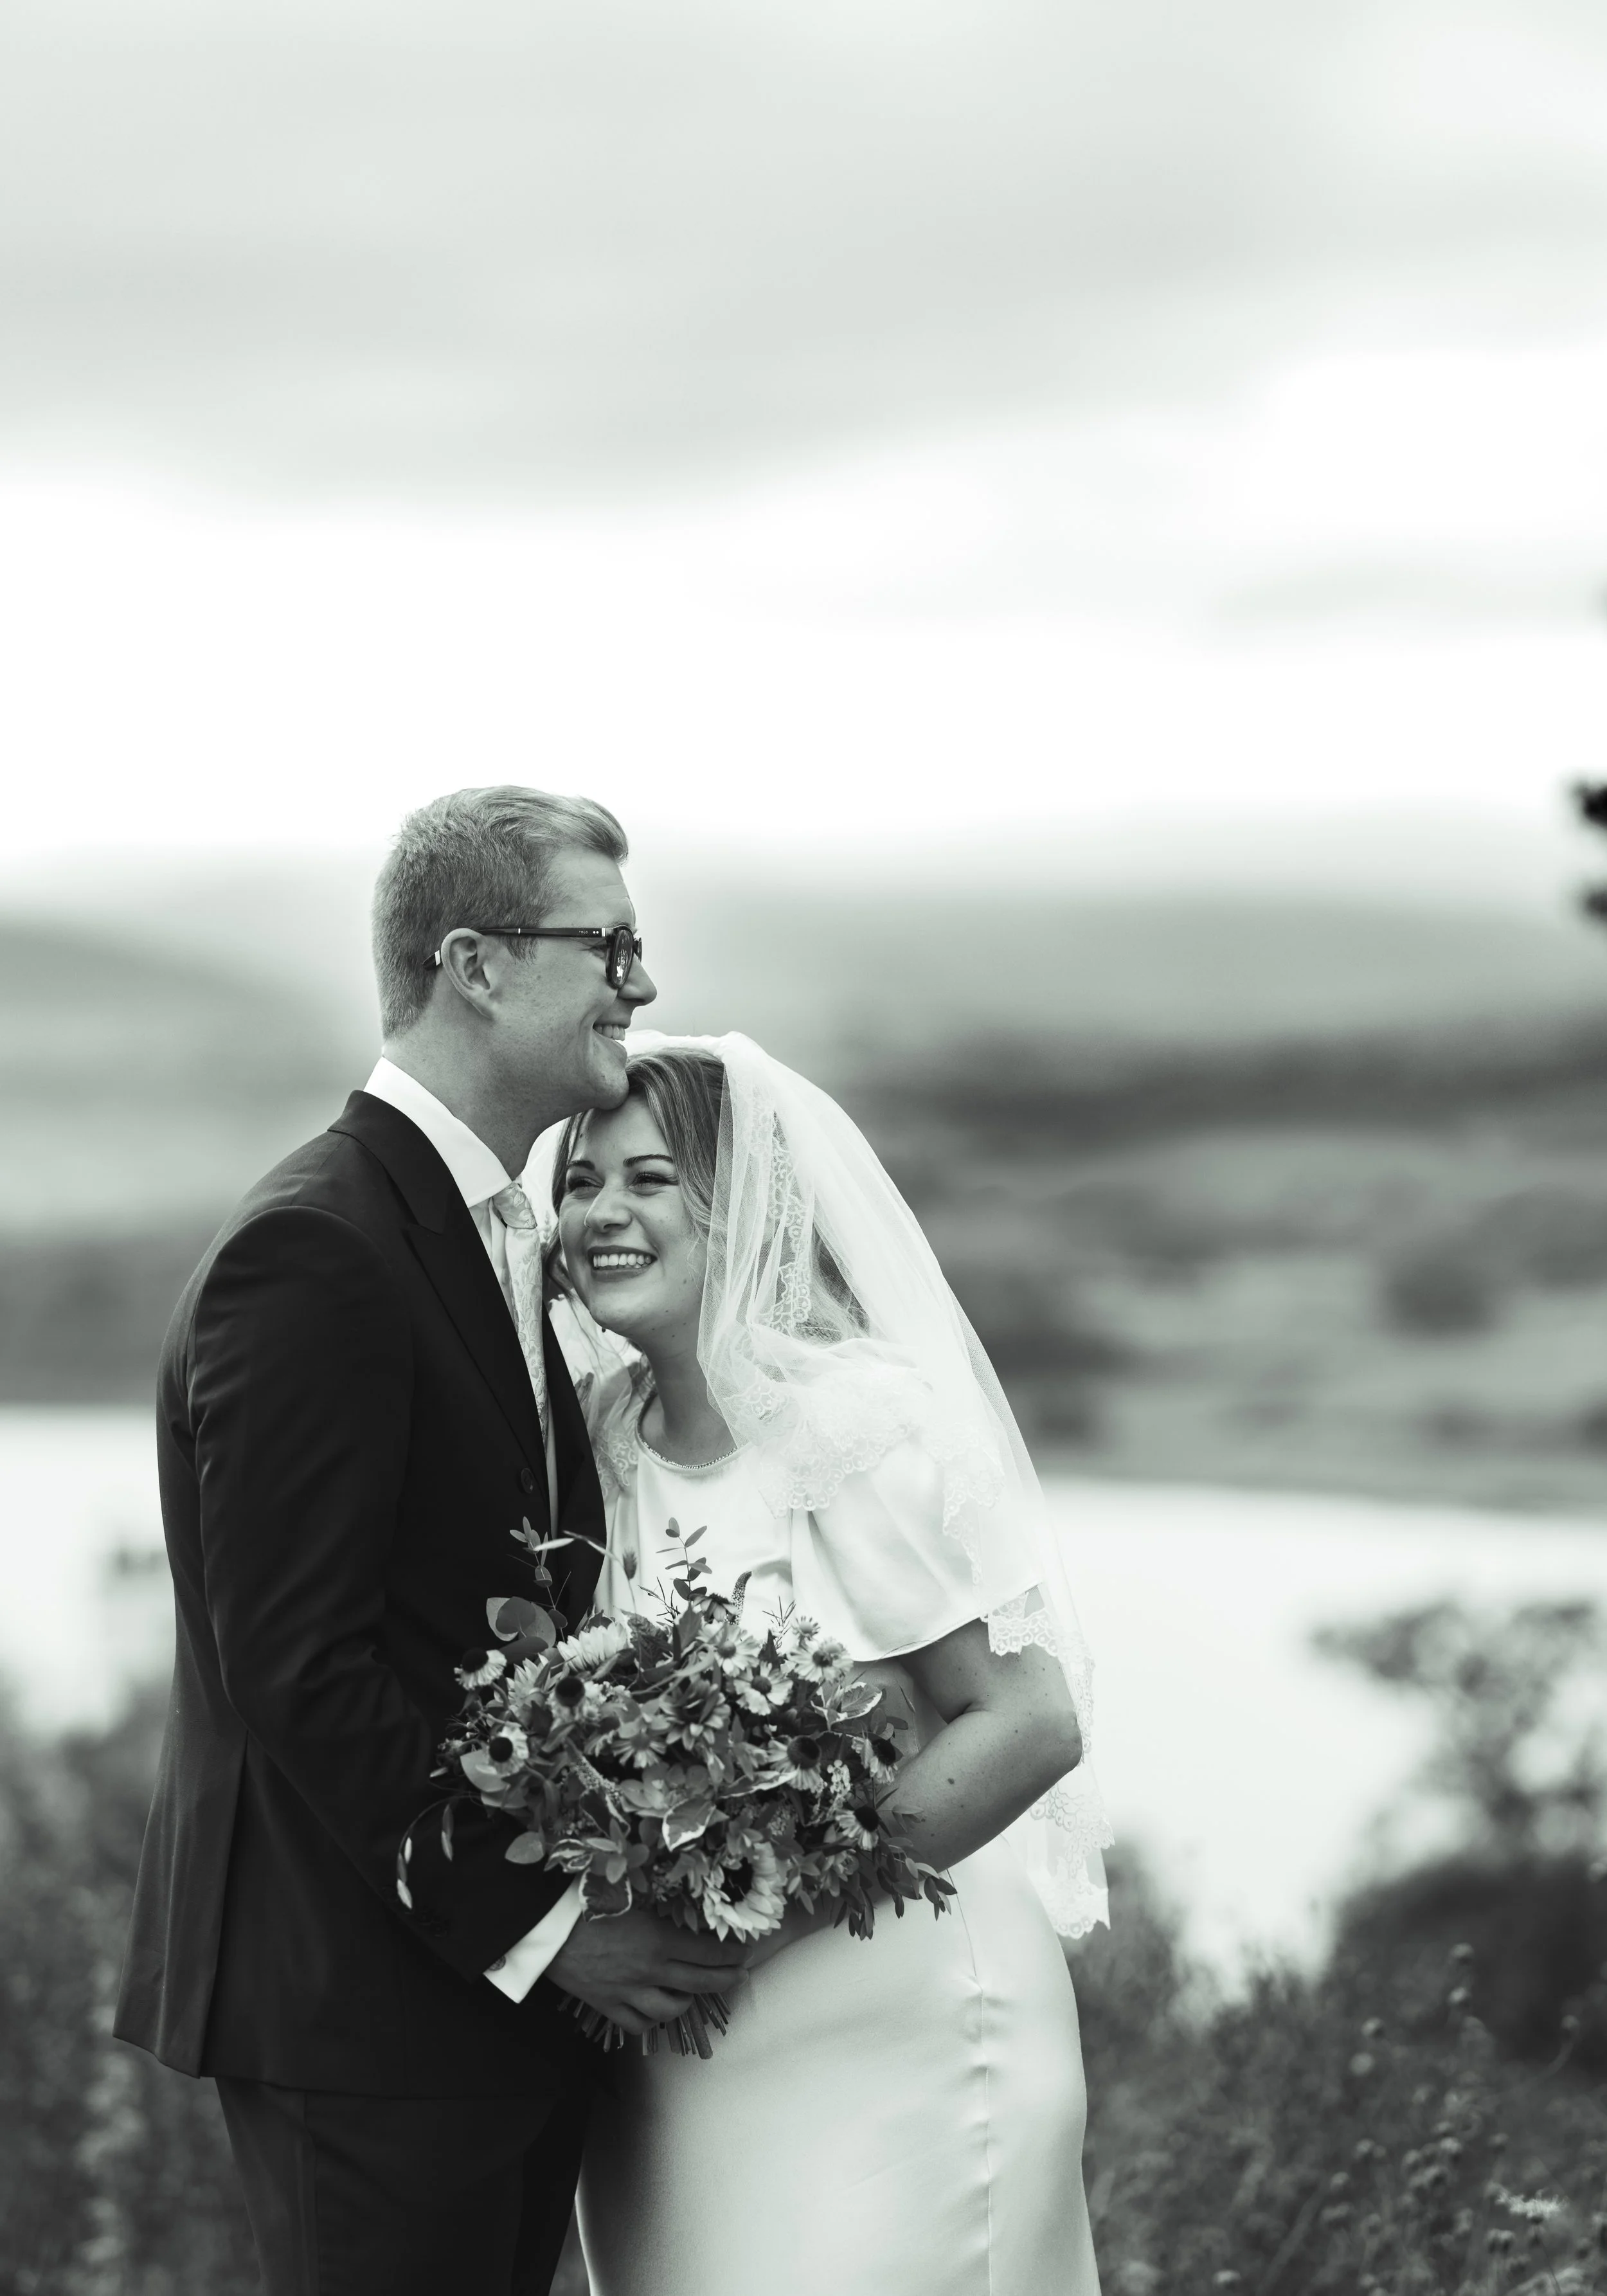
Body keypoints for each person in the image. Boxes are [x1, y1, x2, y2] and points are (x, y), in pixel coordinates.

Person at [113, 787, 751, 2296]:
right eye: (611, 945)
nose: (641, 985)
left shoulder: (481, 1233)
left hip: (468, 2022)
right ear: (474, 964)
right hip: (366, 2023)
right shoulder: (318, 1249)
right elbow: (297, 1664)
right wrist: (544, 1926)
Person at [541, 1033, 1112, 2296]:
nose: (601, 1213)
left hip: (893, 2027)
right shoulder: (602, 1441)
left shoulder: (854, 1425)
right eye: (581, 1183)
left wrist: (749, 1927)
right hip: (676, 2064)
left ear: (742, 1207)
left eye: (647, 1179)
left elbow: (1026, 1720)